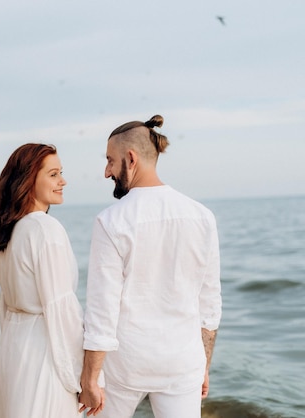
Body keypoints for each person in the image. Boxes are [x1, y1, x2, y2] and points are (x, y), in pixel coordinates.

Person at [78, 115, 222, 418]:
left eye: (110, 161)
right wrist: (203, 366)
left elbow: (102, 310)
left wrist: (90, 378)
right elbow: (209, 304)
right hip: (183, 361)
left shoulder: (111, 221)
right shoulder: (202, 216)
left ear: (130, 159)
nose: (106, 172)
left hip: (126, 363)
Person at [0, 143, 102, 418]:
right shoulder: (44, 228)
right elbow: (61, 310)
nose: (63, 181)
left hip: (15, 351)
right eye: (53, 174)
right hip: (45, 353)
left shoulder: (11, 230)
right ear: (29, 179)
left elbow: (6, 306)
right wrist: (83, 379)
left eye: (60, 173)